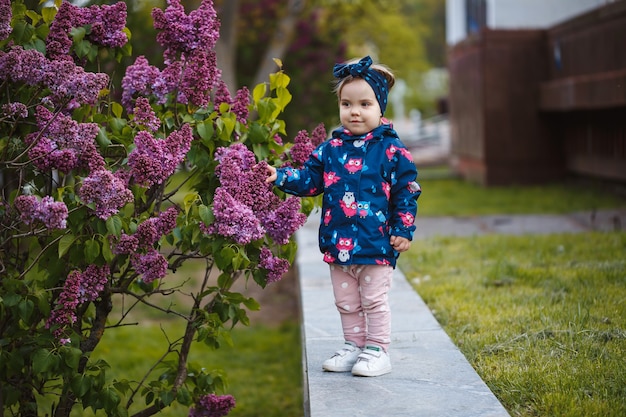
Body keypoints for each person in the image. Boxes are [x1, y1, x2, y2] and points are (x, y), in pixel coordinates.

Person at [266, 56, 421, 377]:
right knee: (346, 301)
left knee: (373, 301)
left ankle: (377, 350)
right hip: (338, 243)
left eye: (365, 104)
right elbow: (310, 180)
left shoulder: (392, 151)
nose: (355, 111)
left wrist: (403, 229)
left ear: (381, 108)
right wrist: (279, 176)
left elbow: (407, 190)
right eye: (347, 103)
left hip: (376, 244)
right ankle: (354, 345)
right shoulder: (330, 149)